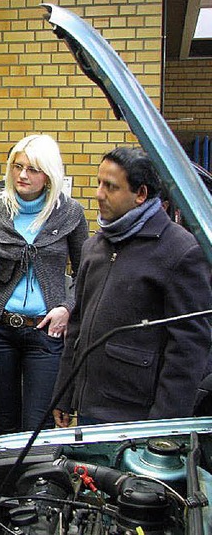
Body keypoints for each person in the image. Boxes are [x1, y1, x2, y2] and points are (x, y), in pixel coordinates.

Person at [53, 147, 212, 427]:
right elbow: (76, 326)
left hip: (138, 416)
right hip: (91, 407)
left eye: (111, 187)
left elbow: (188, 349)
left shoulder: (181, 252)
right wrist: (64, 394)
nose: (99, 194)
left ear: (141, 194)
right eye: (99, 183)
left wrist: (163, 426)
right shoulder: (94, 247)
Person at [0, 134, 88, 436]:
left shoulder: (70, 212)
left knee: (39, 426)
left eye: (33, 169)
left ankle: (36, 483)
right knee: (2, 424)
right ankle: (2, 484)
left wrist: (67, 307)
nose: (22, 175)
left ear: (49, 175)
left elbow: (88, 270)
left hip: (46, 332)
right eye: (17, 166)